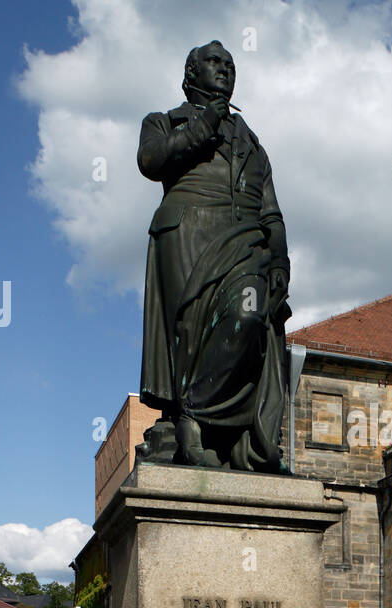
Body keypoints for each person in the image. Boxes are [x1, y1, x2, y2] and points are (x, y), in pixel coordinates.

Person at [137, 40, 291, 471]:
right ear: (191, 73)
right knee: (189, 335)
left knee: (247, 317)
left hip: (245, 244)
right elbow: (151, 161)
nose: (224, 70)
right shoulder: (165, 121)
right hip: (189, 235)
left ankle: (195, 410)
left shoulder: (252, 143)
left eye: (230, 64)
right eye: (214, 63)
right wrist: (204, 123)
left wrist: (280, 261)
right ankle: (188, 427)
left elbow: (271, 213)